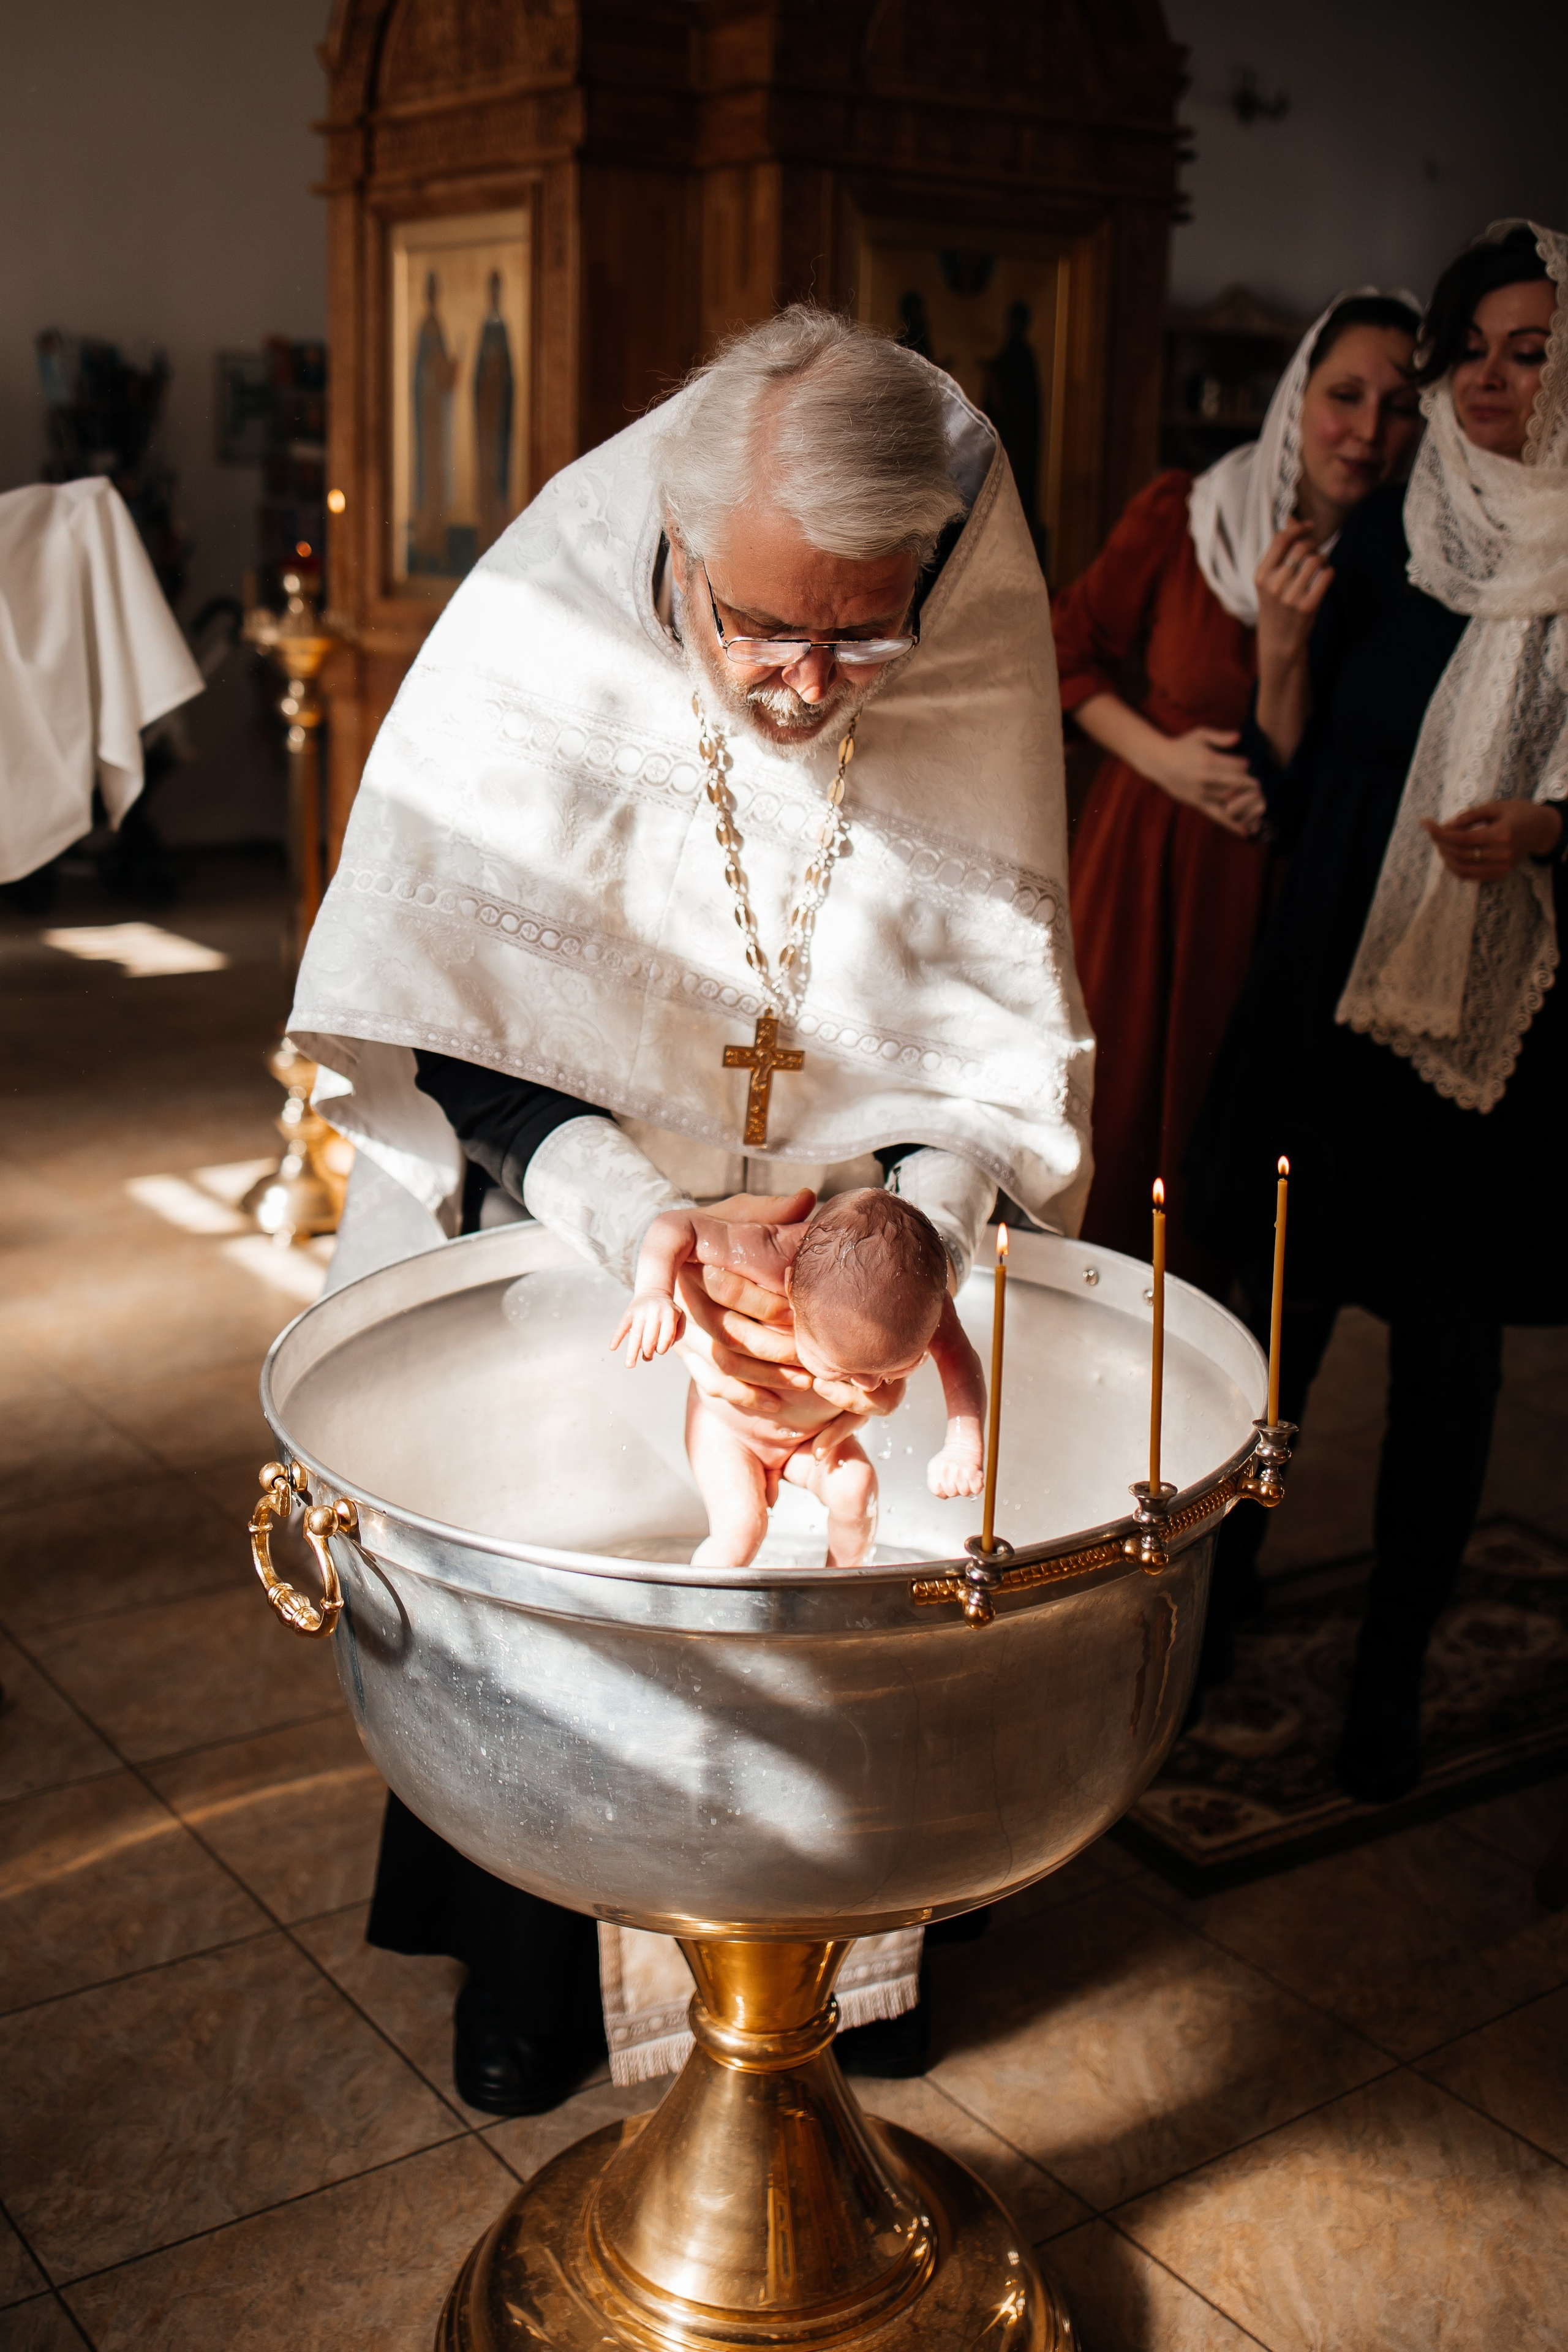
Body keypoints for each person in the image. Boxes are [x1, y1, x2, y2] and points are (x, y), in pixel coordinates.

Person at [288, 307, 1093, 2108]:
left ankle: (842, 1967)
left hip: (838, 1260)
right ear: (674, 535)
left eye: (857, 629)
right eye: (758, 624)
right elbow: (450, 1010)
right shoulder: (544, 618)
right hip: (568, 1217)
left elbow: (987, 1037)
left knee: (841, 1602)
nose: (807, 681)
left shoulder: (961, 627)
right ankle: (531, 1981)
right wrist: (646, 1219)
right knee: (559, 1602)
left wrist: (920, 1225)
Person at [1188, 222, 1568, 1801]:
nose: (1485, 380)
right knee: (1267, 1329)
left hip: (1489, 1029)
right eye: (1463, 351)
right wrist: (1275, 649)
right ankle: (1211, 1612)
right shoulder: (1381, 533)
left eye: (1526, 349)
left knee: (1444, 1363)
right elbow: (1281, 786)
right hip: (1324, 1002)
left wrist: (1543, 830)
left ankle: (1388, 1677)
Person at [1057, 293, 1422, 1286]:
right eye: (1344, 395)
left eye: (1399, 407)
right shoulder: (1187, 515)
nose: (1366, 431)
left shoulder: (1402, 577)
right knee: (1120, 1136)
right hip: (1148, 871)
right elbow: (1065, 650)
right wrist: (1161, 756)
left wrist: (1284, 654)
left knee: (1224, 1181)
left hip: (1271, 900)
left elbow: (1317, 776)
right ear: (1297, 400)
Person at [616, 1189, 986, 1566]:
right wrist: (654, 1291)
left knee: (856, 1490)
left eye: (895, 1371)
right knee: (742, 1529)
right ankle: (696, 1617)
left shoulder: (924, 1300)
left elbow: (958, 1355)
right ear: (792, 1286)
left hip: (813, 1441)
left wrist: (963, 1444)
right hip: (729, 1433)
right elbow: (676, 1226)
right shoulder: (764, 1253)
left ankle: (842, 1588)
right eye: (844, 1371)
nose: (869, 1387)